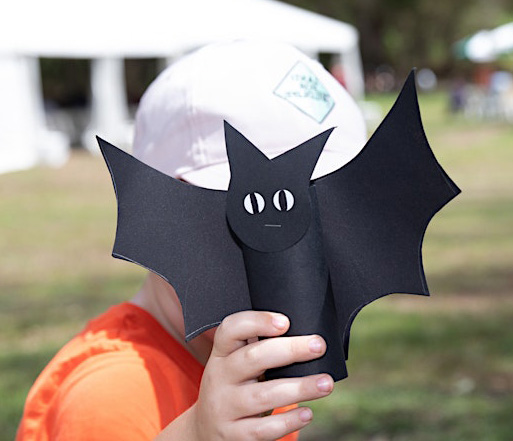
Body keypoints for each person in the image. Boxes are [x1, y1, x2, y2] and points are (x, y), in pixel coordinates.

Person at [16, 40, 367, 441]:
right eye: (243, 218)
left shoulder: (248, 367)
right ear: (159, 214)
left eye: (314, 219)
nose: (280, 251)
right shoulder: (112, 393)